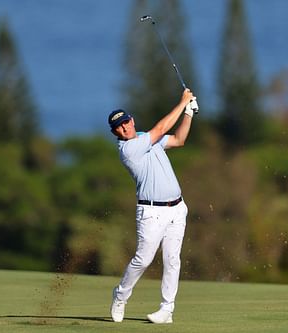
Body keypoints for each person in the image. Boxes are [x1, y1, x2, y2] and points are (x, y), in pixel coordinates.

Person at [108, 89, 196, 324]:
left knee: (172, 259)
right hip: (152, 212)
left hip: (177, 209)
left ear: (131, 121)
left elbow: (179, 140)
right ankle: (120, 295)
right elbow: (161, 130)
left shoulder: (147, 138)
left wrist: (189, 113)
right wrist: (182, 102)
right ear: (116, 132)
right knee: (143, 259)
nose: (124, 128)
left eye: (125, 122)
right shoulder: (128, 150)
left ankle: (167, 309)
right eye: (119, 127)